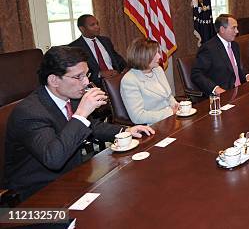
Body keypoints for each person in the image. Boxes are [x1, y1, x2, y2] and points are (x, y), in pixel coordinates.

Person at [2, 46, 154, 200]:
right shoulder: (29, 113)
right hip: (37, 194)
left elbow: (92, 127)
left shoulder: (70, 97)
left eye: (86, 75)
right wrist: (81, 113)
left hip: (72, 176)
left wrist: (125, 131)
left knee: (131, 189)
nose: (86, 81)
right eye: (78, 77)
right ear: (54, 80)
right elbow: (53, 158)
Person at [191, 14, 249, 97]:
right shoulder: (208, 49)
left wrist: (247, 75)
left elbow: (237, 68)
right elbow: (196, 74)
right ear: (222, 29)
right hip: (224, 94)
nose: (237, 31)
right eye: (233, 28)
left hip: (241, 90)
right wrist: (215, 88)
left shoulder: (235, 45)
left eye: (237, 28)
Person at [120, 38, 178, 125]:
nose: (159, 56)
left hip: (171, 119)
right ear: (142, 56)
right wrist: (169, 112)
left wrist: (176, 105)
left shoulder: (158, 69)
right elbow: (138, 117)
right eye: (155, 53)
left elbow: (168, 96)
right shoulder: (129, 80)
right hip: (153, 126)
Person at [68, 14, 127, 87]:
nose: (97, 27)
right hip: (96, 84)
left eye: (97, 24)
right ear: (82, 29)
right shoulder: (75, 47)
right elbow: (77, 73)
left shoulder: (105, 41)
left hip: (116, 79)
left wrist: (126, 69)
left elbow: (118, 60)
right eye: (92, 25)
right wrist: (100, 74)